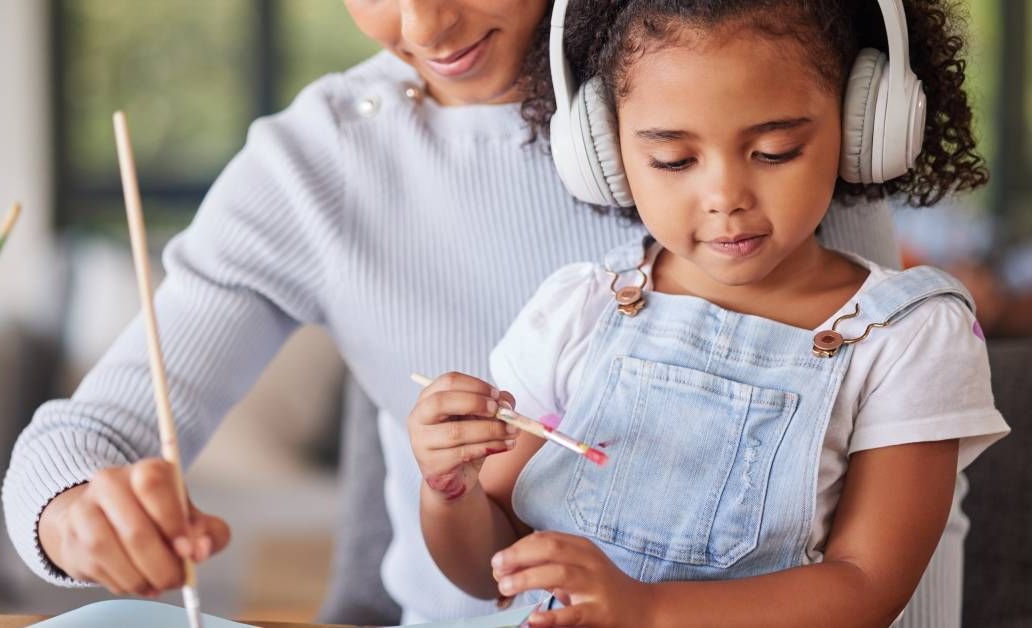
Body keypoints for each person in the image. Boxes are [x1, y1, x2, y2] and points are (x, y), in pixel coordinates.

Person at [2, 1, 913, 623]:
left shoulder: (751, 83)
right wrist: (76, 511)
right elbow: (84, 436)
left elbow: (902, 510)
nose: (424, 25)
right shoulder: (313, 167)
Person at [407, 0, 1010, 625]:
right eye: (674, 161)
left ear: (863, 126)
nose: (726, 198)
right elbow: (492, 571)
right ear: (605, 153)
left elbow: (866, 589)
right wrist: (450, 493)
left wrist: (647, 610)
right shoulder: (576, 311)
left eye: (775, 150)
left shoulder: (907, 336)